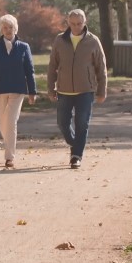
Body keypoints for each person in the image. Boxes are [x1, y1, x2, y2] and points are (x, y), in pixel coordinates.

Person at [47, 9, 107, 169]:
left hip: (85, 90)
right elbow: (52, 66)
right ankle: (74, 143)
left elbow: (101, 67)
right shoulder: (60, 40)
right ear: (68, 23)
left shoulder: (93, 41)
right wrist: (50, 88)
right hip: (63, 90)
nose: (76, 27)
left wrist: (102, 91)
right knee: (62, 123)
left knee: (82, 124)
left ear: (85, 23)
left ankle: (76, 156)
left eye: (79, 24)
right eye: (72, 24)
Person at [0, 14, 38, 169]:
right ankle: (8, 142)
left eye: (11, 27)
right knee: (2, 122)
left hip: (18, 90)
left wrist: (32, 91)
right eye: (5, 28)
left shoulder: (24, 47)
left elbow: (30, 70)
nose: (8, 30)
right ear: (1, 30)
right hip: (0, 90)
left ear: (16, 28)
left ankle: (9, 157)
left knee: (11, 122)